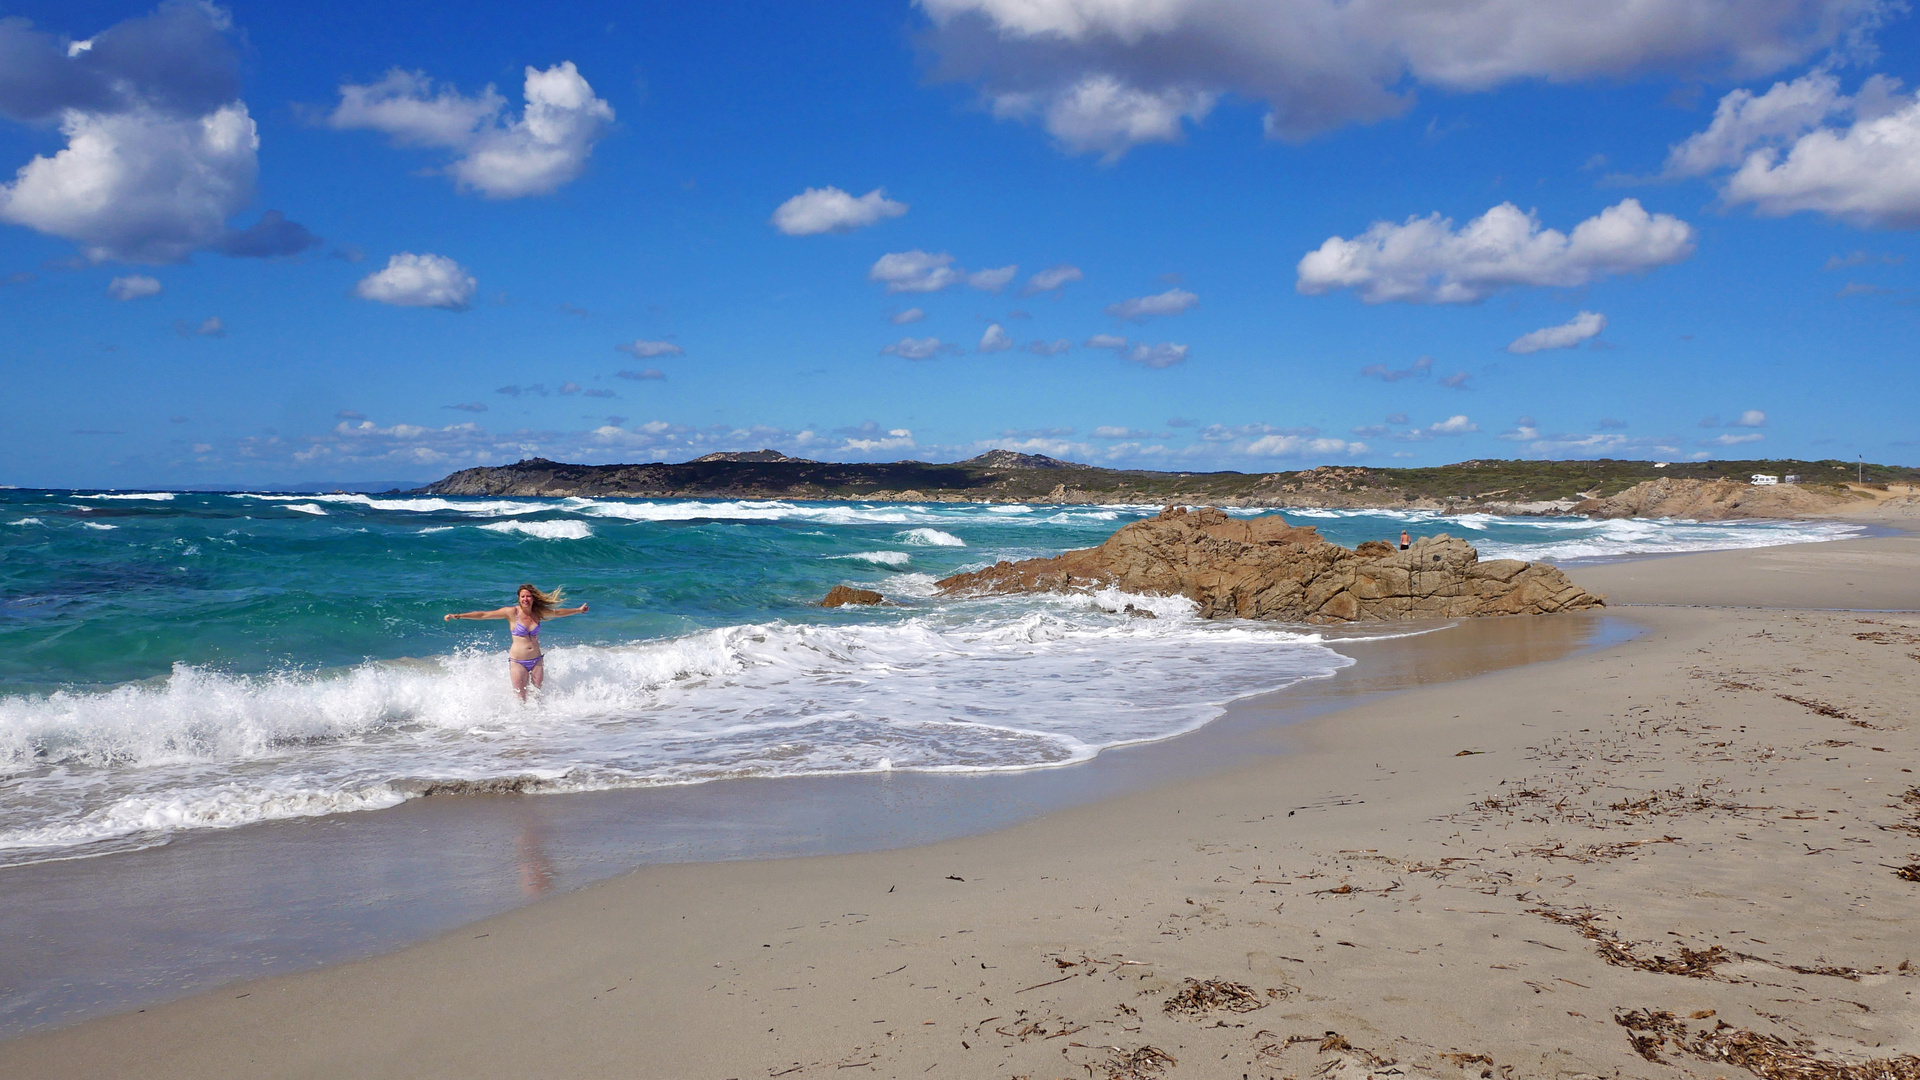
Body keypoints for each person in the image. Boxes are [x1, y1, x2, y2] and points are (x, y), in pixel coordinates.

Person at [445, 584, 588, 699]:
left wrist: (578, 610)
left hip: (537, 660)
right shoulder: (511, 612)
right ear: (519, 598)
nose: (525, 599)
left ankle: (540, 729)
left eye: (528, 596)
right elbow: (484, 615)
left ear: (533, 598)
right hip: (518, 661)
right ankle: (521, 731)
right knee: (521, 698)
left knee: (537, 696)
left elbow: (558, 613)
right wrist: (458, 615)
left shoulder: (537, 613)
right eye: (523, 596)